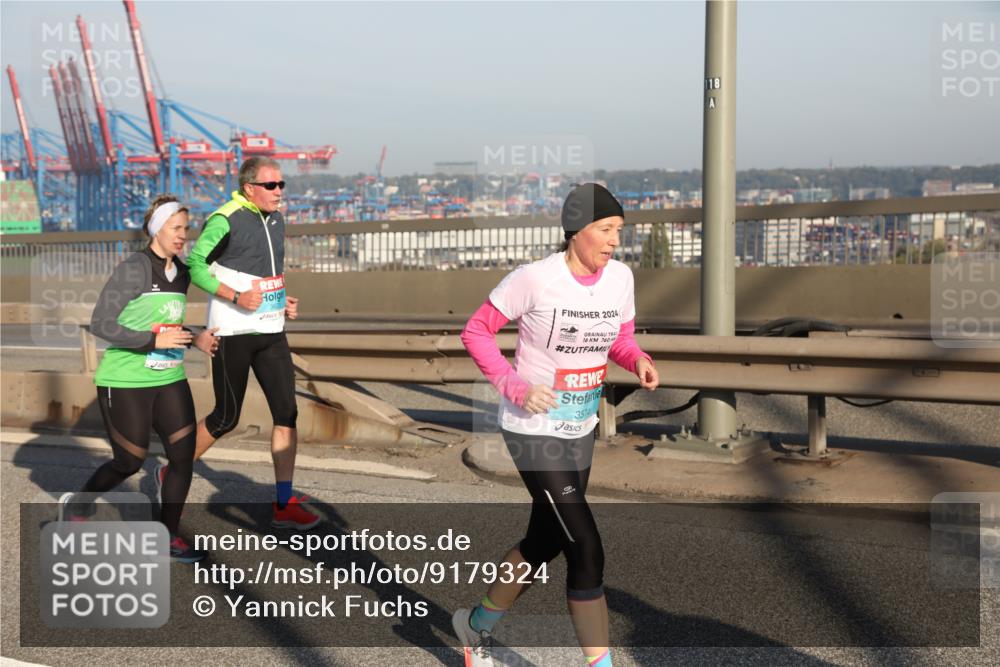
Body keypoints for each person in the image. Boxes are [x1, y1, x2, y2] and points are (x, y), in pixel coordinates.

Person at [453, 183, 659, 666]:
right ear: (575, 230)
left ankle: (475, 626)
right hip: (532, 428)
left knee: (545, 542)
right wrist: (515, 386)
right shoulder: (535, 279)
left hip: (579, 426)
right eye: (605, 229)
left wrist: (639, 360)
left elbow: (620, 339)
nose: (614, 241)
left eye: (619, 231)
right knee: (585, 546)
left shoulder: (620, 279)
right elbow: (476, 331)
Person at [59, 194, 219, 564]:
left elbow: (169, 322)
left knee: (182, 456)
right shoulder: (134, 268)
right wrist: (152, 340)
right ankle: (78, 507)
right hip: (125, 381)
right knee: (129, 463)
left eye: (186, 228)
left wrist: (195, 337)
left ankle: (167, 537)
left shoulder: (180, 274)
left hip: (168, 377)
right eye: (176, 228)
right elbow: (101, 324)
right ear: (156, 229)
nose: (183, 235)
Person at [165, 156, 318, 529]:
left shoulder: (277, 219)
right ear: (250, 187)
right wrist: (234, 296)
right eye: (271, 186)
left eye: (282, 185)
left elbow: (266, 273)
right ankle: (172, 475)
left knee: (287, 413)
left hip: (270, 331)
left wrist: (283, 299)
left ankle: (284, 502)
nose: (279, 192)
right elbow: (196, 265)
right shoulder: (225, 218)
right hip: (232, 332)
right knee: (225, 417)